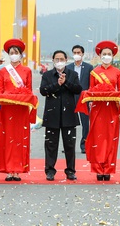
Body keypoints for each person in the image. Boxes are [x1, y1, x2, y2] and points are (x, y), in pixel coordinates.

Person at [76, 40, 120, 181]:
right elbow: (91, 90)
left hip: (111, 110)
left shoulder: (117, 72)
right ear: (100, 56)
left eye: (109, 54)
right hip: (98, 110)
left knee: (111, 139)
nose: (106, 56)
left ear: (113, 56)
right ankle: (98, 169)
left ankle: (108, 169)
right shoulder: (94, 72)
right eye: (104, 54)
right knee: (98, 138)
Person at [0, 39, 36, 182]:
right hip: (7, 109)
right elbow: (0, 90)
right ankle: (8, 170)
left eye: (16, 53)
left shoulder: (27, 71)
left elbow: (29, 91)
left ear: (21, 54)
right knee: (7, 138)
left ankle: (18, 170)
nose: (13, 55)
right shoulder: (4, 71)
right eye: (11, 53)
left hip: (21, 110)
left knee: (19, 138)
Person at [40, 50, 83, 181]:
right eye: (57, 59)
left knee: (69, 145)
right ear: (53, 60)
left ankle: (70, 171)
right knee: (51, 145)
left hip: (69, 114)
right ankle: (50, 170)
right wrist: (57, 84)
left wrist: (66, 83)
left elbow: (78, 89)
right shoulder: (47, 75)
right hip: (52, 114)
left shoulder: (72, 74)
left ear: (66, 60)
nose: (59, 62)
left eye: (61, 59)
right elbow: (43, 90)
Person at [71, 45, 93, 154]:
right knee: (70, 123)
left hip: (84, 98)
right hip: (71, 98)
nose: (76, 54)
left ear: (82, 54)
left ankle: (84, 144)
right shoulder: (68, 67)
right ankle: (69, 145)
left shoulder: (89, 67)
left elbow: (91, 84)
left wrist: (91, 99)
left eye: (78, 52)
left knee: (85, 123)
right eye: (74, 52)